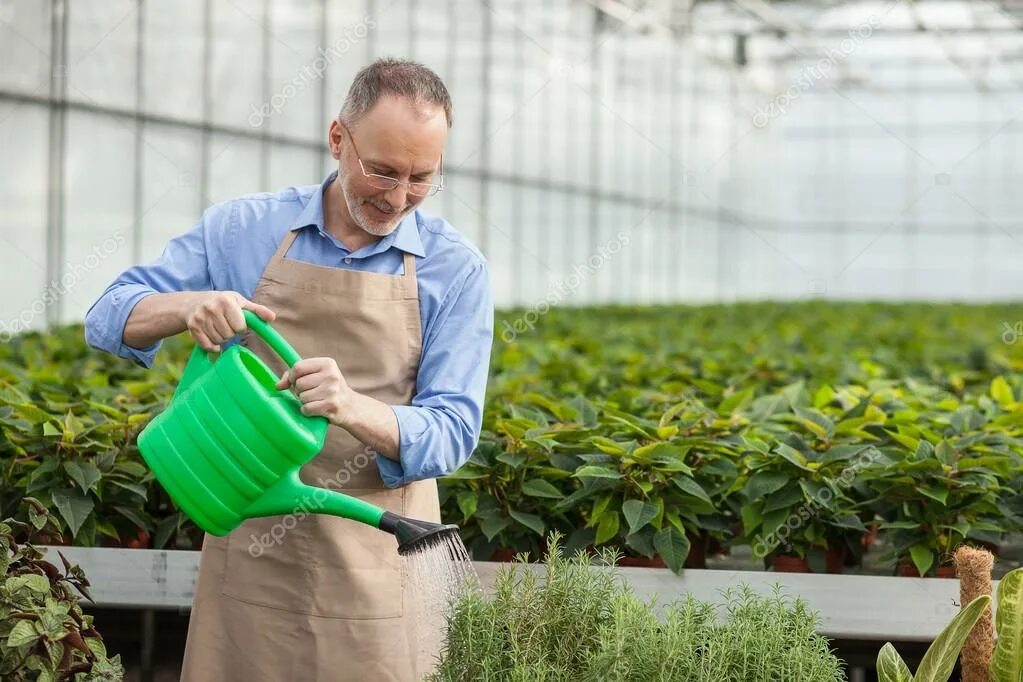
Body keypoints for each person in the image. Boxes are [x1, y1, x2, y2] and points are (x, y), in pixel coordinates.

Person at [84, 58, 494, 681]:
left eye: (421, 179)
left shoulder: (455, 269)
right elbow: (107, 315)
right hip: (252, 535)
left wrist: (352, 406)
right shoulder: (242, 229)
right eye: (381, 170)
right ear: (338, 138)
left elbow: (454, 430)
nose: (396, 196)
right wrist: (187, 306)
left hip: (378, 552)